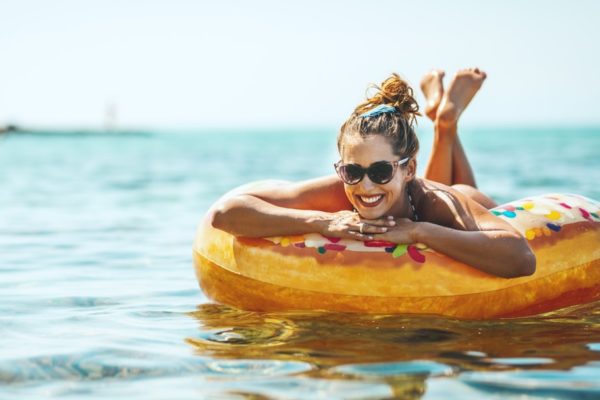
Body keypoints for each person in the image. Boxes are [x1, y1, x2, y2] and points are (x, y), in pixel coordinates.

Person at [210, 68, 536, 278]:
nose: (365, 185)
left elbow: (521, 258)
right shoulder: (339, 192)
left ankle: (445, 123)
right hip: (416, 195)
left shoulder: (439, 201)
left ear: (408, 168)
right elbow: (226, 214)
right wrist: (323, 221)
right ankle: (443, 119)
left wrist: (418, 232)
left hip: (461, 198)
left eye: (380, 171)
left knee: (459, 189)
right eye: (352, 170)